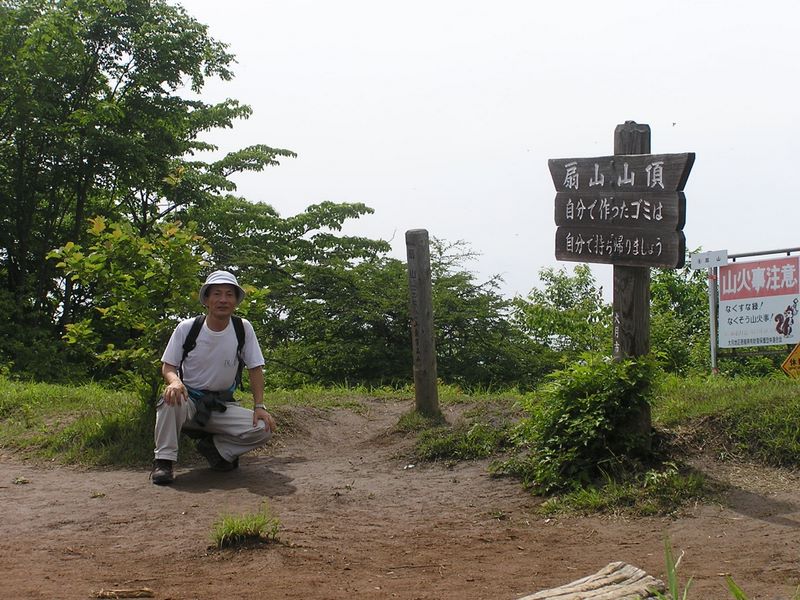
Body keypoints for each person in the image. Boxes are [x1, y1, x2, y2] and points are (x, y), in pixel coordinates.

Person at [151, 270, 276, 485]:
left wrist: (259, 406)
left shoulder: (243, 329)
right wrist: (175, 381)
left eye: (229, 294)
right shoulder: (187, 328)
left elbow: (255, 368)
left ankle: (218, 451)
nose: (223, 300)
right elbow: (168, 366)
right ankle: (164, 461)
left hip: (220, 405)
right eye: (217, 293)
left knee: (263, 428)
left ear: (236, 301)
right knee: (171, 398)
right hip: (188, 401)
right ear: (206, 300)